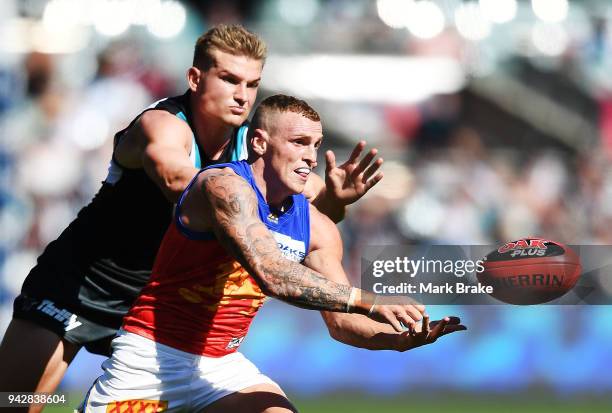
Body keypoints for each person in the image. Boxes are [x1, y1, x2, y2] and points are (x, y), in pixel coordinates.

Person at [0, 25, 384, 406]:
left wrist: (335, 199)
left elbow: (312, 216)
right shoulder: (163, 125)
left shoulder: (254, 145)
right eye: (230, 79)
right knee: (15, 402)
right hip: (82, 285)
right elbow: (177, 180)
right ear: (195, 78)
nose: (242, 96)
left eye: (252, 84)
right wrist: (238, 198)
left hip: (153, 305)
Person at [79, 95, 466, 413]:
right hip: (150, 360)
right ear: (260, 143)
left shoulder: (317, 228)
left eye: (316, 145)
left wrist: (399, 340)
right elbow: (271, 272)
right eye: (299, 143)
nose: (311, 157)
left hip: (221, 367)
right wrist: (369, 301)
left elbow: (343, 324)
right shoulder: (223, 187)